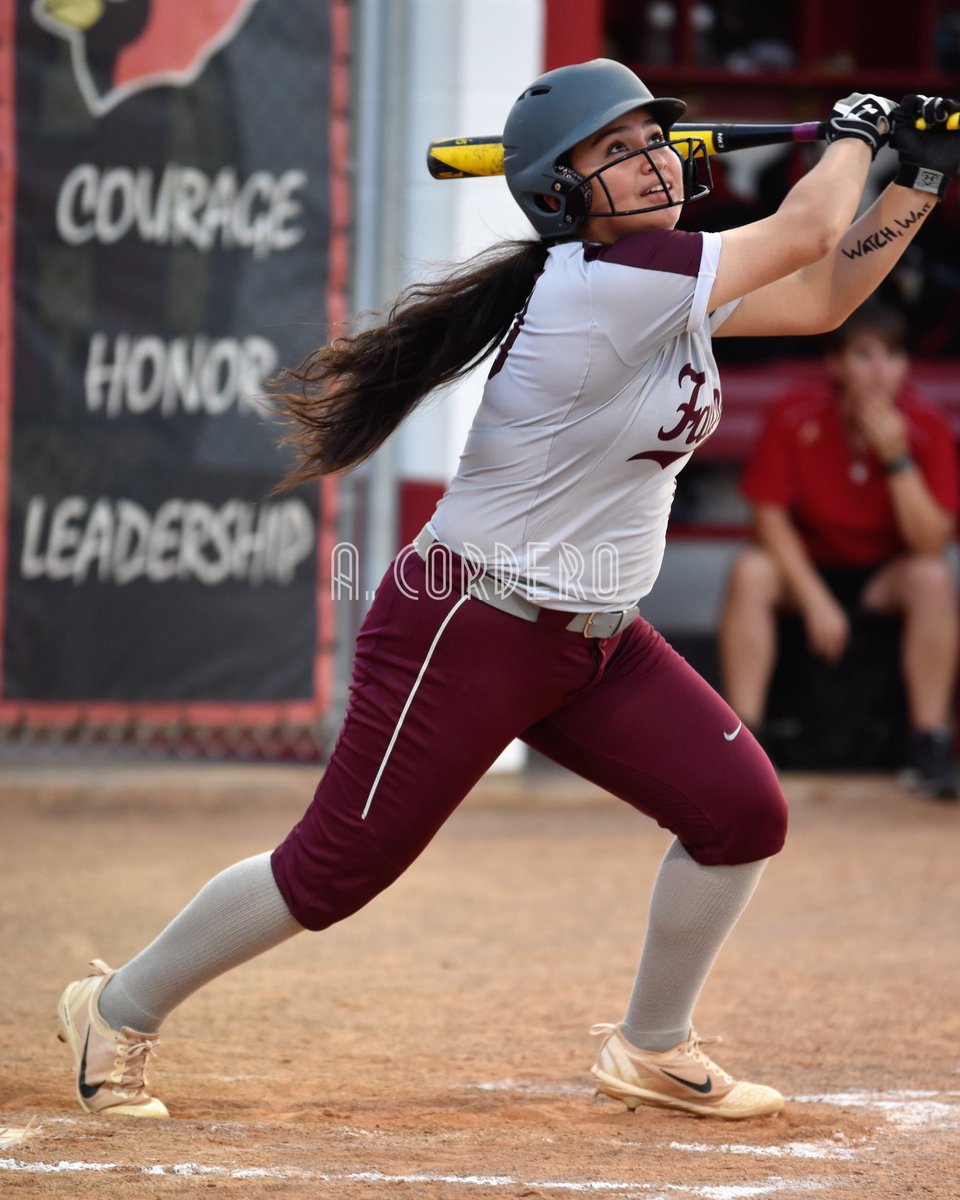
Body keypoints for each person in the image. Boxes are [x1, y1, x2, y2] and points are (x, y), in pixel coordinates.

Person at [56, 63, 960, 1123]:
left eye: (652, 140)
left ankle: (651, 1046)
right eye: (615, 151)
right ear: (561, 196)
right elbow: (807, 232)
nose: (655, 159)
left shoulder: (671, 285)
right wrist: (859, 130)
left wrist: (920, 174)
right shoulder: (609, 285)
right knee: (336, 868)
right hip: (471, 619)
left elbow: (822, 294)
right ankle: (115, 1009)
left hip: (597, 639)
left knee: (740, 813)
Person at [718, 302, 959, 795]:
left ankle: (929, 743)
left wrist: (897, 460)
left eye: (892, 357)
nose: (880, 371)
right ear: (836, 364)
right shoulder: (796, 413)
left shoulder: (925, 425)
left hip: (881, 575)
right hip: (806, 569)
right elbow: (768, 517)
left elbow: (931, 541)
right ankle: (744, 746)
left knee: (931, 579)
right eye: (865, 356)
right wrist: (815, 600)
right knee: (750, 571)